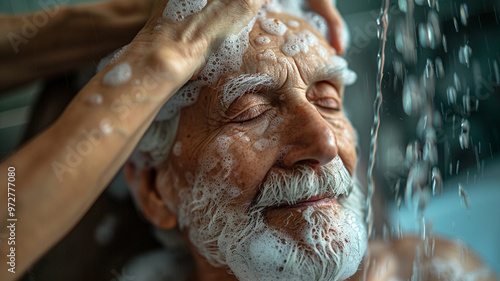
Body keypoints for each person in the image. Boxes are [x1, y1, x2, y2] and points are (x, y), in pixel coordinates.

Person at [0, 1, 497, 280]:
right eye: (251, 112)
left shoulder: (436, 273)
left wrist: (154, 17)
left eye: (327, 99)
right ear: (156, 191)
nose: (324, 140)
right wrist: (169, 49)